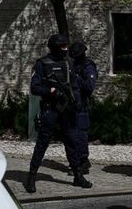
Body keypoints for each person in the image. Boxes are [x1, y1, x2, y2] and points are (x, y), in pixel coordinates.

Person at [25, 33, 90, 193]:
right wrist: (51, 91)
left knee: (72, 143)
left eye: (66, 46)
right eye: (63, 47)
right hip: (50, 109)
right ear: (54, 47)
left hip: (67, 109)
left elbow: (74, 85)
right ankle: (31, 177)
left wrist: (77, 103)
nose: (66, 49)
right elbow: (34, 88)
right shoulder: (42, 64)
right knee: (42, 143)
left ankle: (77, 176)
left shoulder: (68, 62)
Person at [69, 41, 98, 173]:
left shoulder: (88, 66)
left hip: (82, 105)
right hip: (71, 104)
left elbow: (89, 87)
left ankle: (83, 162)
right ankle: (76, 161)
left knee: (81, 134)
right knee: (71, 135)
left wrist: (76, 77)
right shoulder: (72, 65)